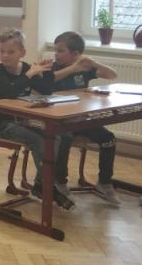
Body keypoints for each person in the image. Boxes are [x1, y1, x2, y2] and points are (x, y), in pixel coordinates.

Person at [0, 28, 74, 210]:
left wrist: (45, 71)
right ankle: (49, 188)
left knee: (56, 137)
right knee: (38, 141)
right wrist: (29, 75)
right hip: (0, 123)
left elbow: (46, 90)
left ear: (22, 52)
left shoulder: (26, 69)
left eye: (11, 52)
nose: (5, 56)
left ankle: (41, 185)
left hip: (22, 120)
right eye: (1, 51)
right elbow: (9, 92)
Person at [51, 31, 120, 205]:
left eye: (60, 51)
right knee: (64, 139)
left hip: (80, 120)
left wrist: (93, 63)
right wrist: (74, 68)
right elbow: (50, 80)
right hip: (60, 121)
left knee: (108, 139)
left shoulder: (85, 69)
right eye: (55, 50)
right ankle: (60, 182)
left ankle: (104, 182)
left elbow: (112, 75)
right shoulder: (53, 68)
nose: (56, 54)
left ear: (76, 54)